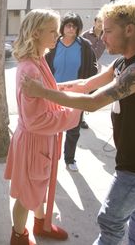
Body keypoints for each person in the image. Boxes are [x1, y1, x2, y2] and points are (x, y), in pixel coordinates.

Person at [22, 0, 135, 245]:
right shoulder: (124, 60)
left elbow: (93, 102)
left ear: (129, 30)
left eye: (107, 31)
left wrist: (42, 92)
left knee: (110, 220)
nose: (102, 37)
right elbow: (87, 84)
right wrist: (49, 86)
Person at [4, 9, 82, 245]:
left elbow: (48, 94)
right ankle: (19, 236)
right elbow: (35, 120)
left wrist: (69, 90)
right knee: (28, 194)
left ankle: (40, 222)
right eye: (52, 30)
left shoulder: (38, 60)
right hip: (34, 140)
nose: (58, 35)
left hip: (40, 140)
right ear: (36, 33)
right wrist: (75, 110)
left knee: (38, 186)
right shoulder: (29, 68)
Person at [45, 12, 97, 172]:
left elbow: (93, 68)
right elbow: (44, 66)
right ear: (62, 27)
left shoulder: (85, 45)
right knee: (52, 127)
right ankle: (49, 158)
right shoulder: (53, 44)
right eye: (68, 25)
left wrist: (88, 90)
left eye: (74, 26)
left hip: (76, 94)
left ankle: (69, 158)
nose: (71, 28)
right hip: (53, 93)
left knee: (73, 129)